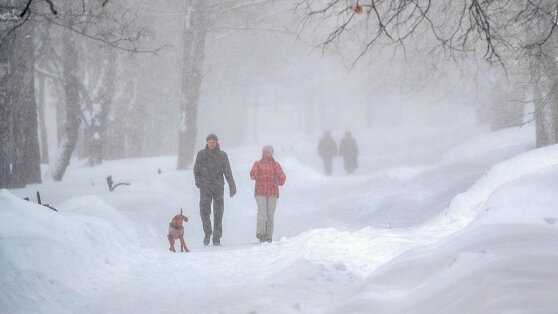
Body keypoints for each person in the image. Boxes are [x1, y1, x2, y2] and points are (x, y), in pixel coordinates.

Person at [193, 133, 236, 246]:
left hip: (218, 188)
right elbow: (196, 169)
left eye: (213, 142)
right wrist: (198, 181)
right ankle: (207, 233)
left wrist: (232, 185)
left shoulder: (222, 156)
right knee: (204, 211)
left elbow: (228, 172)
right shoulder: (201, 155)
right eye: (209, 142)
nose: (211, 144)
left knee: (218, 213)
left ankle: (217, 238)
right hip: (205, 188)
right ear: (207, 143)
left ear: (216, 142)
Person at [250, 145, 286, 243]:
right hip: (260, 192)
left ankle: (268, 236)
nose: (265, 154)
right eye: (264, 152)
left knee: (270, 215)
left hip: (272, 193)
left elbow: (282, 176)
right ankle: (261, 233)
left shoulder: (276, 165)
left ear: (272, 153)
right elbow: (252, 174)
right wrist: (255, 174)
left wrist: (281, 179)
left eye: (268, 152)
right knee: (262, 213)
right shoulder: (257, 164)